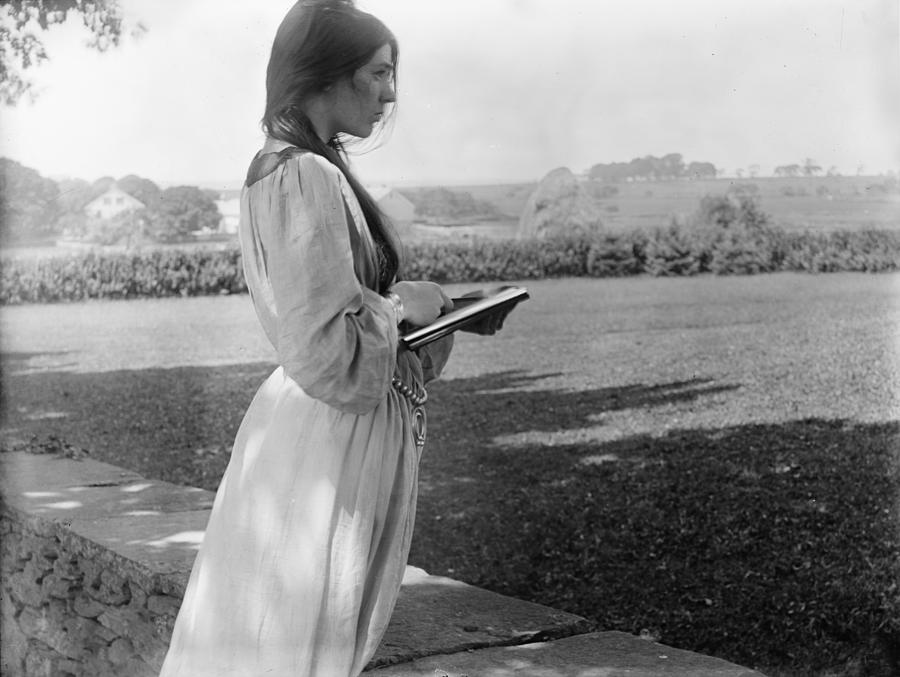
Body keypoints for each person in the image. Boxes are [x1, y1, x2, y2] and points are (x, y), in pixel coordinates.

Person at [158, 1, 468, 674]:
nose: (391, 94)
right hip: (331, 439)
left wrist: (413, 312)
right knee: (304, 638)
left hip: (317, 430)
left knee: (290, 632)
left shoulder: (292, 166)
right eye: (380, 73)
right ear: (329, 73)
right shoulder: (303, 175)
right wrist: (405, 305)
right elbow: (331, 348)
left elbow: (332, 314)